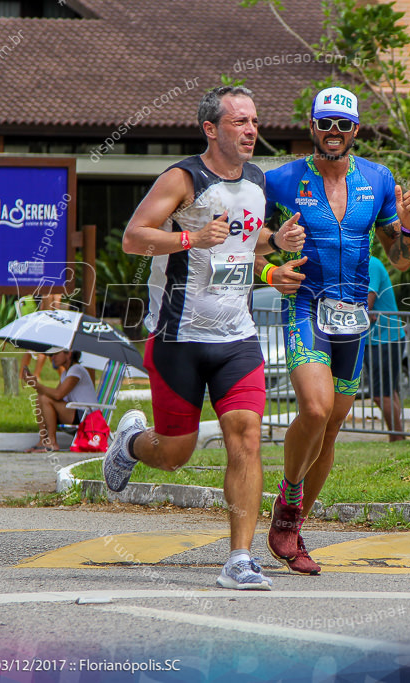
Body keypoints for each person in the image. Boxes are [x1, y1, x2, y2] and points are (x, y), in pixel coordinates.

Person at [102, 86, 305, 591]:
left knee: (247, 438)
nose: (251, 130)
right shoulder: (183, 178)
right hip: (178, 337)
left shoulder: (257, 182)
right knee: (176, 454)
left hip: (237, 337)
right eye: (239, 121)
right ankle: (129, 442)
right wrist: (190, 237)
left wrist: (274, 254)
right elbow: (133, 236)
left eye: (255, 121)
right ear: (211, 129)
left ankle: (240, 558)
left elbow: (244, 242)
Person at [256, 87, 410, 575]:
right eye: (324, 123)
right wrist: (271, 266)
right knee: (315, 406)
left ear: (355, 130)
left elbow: (401, 260)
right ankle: (287, 501)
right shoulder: (280, 180)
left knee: (329, 431)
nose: (333, 133)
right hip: (306, 306)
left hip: (353, 317)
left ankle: (293, 530)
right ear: (311, 126)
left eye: (343, 125)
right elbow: (244, 245)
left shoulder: (379, 177)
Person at [23, 347, 98, 453]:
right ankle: (43, 440)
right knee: (41, 398)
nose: (52, 358)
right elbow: (55, 396)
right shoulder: (65, 373)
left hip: (87, 416)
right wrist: (34, 384)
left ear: (69, 354)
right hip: (77, 412)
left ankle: (52, 442)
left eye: (56, 354)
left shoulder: (76, 369)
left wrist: (35, 385)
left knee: (44, 398)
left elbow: (58, 395)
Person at [366, 255, 407, 441]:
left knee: (381, 394)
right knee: (388, 391)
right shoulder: (359, 265)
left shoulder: (371, 264)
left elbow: (367, 305)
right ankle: (398, 435)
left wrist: (363, 312)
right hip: (375, 339)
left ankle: (397, 437)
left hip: (385, 339)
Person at [20, 291, 63, 382]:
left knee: (32, 349)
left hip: (42, 320)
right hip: (50, 322)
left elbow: (42, 307)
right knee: (48, 350)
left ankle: (21, 374)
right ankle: (36, 374)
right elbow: (56, 307)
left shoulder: (45, 290)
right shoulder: (55, 290)